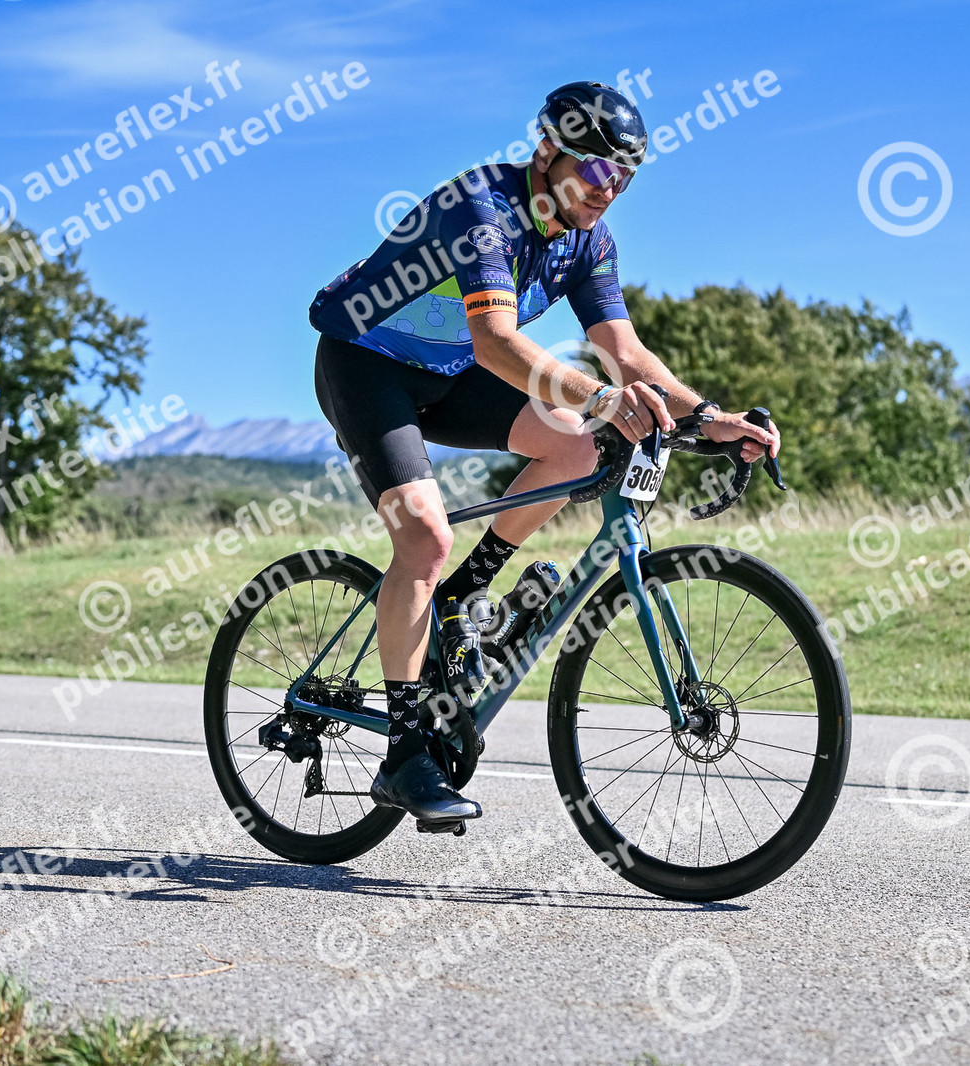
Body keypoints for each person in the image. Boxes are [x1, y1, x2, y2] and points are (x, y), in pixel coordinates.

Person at [309, 81, 781, 826]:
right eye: (596, 169)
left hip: (451, 373)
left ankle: (467, 592)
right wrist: (601, 397)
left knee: (575, 450)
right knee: (424, 537)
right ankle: (404, 754)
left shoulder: (589, 241)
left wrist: (710, 416)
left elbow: (625, 352)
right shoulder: (483, 208)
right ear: (546, 153)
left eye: (624, 178)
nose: (609, 189)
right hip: (367, 365)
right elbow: (497, 342)